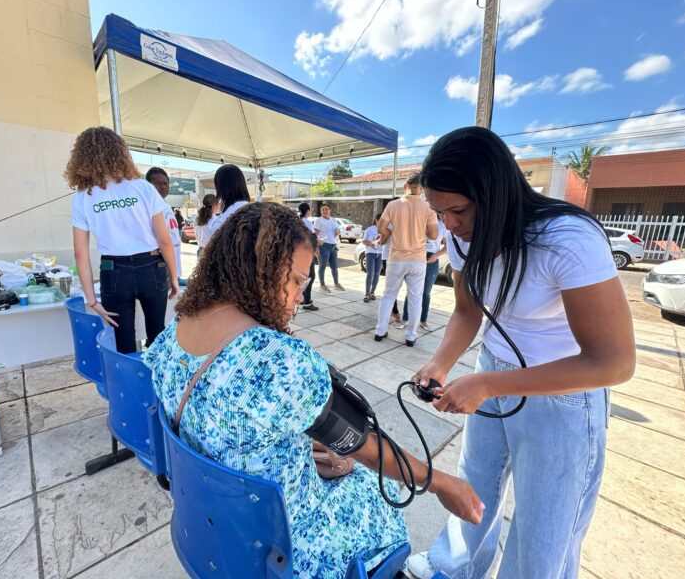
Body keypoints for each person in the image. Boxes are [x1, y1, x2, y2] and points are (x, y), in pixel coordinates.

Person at [143, 202, 483, 578]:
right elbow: (367, 449)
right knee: (369, 486)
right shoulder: (279, 359)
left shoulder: (175, 330)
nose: (298, 298)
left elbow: (226, 417)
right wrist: (441, 483)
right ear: (259, 270)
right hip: (282, 548)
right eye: (295, 281)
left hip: (212, 527)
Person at [406, 127, 635, 579]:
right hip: (492, 366)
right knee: (477, 479)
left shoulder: (567, 238)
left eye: (458, 210)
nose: (449, 225)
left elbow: (614, 362)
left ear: (495, 194)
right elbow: (467, 311)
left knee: (543, 525)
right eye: (439, 212)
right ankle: (453, 567)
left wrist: (490, 385)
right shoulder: (462, 236)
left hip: (563, 391)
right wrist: (440, 363)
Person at [67, 127, 178, 354]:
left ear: (82, 157)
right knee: (157, 335)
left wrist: (92, 300)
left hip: (113, 271)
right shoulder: (143, 188)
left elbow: (80, 253)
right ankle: (154, 376)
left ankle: (127, 376)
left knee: (123, 342)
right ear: (120, 152)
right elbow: (164, 240)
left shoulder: (83, 196)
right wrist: (174, 277)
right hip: (152, 267)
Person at [374, 174, 438, 347]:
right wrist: (421, 228)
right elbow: (434, 235)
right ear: (422, 188)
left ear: (405, 186)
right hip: (417, 259)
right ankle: (410, 336)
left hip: (396, 258)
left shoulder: (393, 205)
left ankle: (380, 331)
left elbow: (380, 228)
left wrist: (391, 232)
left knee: (388, 295)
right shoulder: (429, 207)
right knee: (415, 298)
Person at [398, 214, 445, 332]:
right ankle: (405, 318)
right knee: (412, 290)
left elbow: (448, 245)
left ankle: (423, 320)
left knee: (426, 292)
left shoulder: (441, 226)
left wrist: (436, 255)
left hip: (431, 259)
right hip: (416, 257)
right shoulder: (418, 222)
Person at [145, 167, 182, 282]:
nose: (163, 186)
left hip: (172, 268)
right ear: (148, 185)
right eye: (158, 183)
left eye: (165, 183)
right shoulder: (148, 208)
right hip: (160, 268)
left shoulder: (166, 206)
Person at [203, 164, 250, 243]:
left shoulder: (235, 209)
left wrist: (213, 214)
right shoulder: (247, 206)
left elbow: (214, 231)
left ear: (221, 187)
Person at [314, 204, 344, 292]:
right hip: (323, 246)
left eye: (326, 209)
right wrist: (316, 246)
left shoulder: (333, 220)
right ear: (321, 211)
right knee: (322, 266)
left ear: (330, 210)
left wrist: (338, 231)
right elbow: (315, 235)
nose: (324, 211)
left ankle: (336, 284)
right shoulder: (318, 220)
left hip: (333, 246)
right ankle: (322, 285)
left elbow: (337, 230)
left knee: (334, 266)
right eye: (322, 209)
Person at [298, 202, 319, 311]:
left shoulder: (297, 221)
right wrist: (316, 247)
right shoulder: (307, 222)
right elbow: (313, 238)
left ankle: (301, 298)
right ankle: (307, 302)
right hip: (307, 252)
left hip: (298, 253)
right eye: (310, 210)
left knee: (303, 276)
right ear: (307, 211)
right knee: (311, 276)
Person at [362, 213, 383, 302]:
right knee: (370, 274)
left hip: (380, 254)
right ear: (376, 220)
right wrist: (371, 244)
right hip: (370, 253)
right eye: (380, 220)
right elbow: (364, 241)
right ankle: (367, 293)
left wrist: (382, 242)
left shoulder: (385, 230)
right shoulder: (370, 229)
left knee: (377, 274)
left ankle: (372, 292)